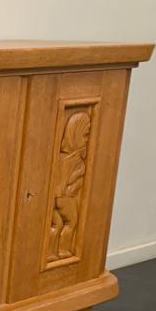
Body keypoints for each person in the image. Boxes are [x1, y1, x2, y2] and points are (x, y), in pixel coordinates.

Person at [49, 111, 90, 261]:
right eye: (85, 135)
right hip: (65, 197)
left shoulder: (61, 157)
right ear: (76, 135)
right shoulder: (75, 160)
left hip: (55, 198)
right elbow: (71, 183)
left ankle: (51, 253)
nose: (86, 140)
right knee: (71, 222)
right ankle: (62, 250)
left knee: (56, 223)